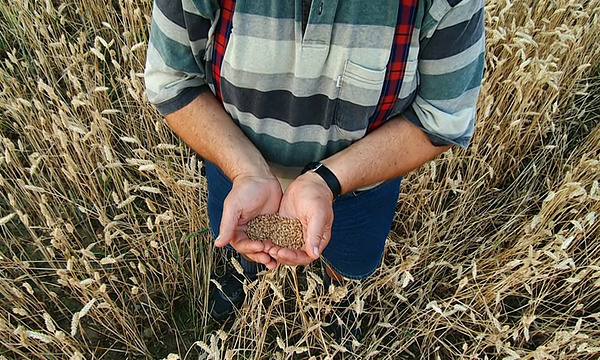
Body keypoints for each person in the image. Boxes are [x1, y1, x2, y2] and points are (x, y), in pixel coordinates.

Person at [144, 0, 484, 345]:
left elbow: (441, 118)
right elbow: (173, 80)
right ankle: (243, 277)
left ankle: (341, 301)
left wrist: (328, 181)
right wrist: (246, 171)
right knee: (242, 238)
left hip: (361, 188)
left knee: (351, 258)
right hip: (233, 170)